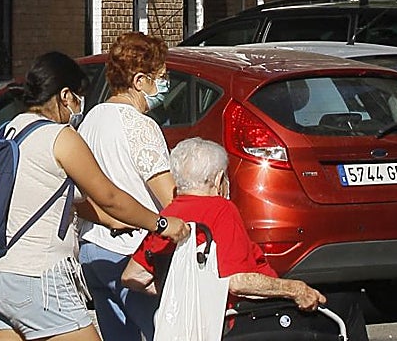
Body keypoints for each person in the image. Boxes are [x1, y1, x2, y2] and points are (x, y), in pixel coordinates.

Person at [0, 51, 189, 341]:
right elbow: (109, 196)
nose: (79, 106)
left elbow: (69, 201)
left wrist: (111, 222)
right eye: (78, 97)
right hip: (38, 278)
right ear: (65, 95)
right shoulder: (60, 137)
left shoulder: (7, 131)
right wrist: (161, 224)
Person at [122, 138, 368, 341]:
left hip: (201, 322)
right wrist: (294, 289)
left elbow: (132, 277)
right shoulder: (221, 209)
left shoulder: (169, 217)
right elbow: (237, 282)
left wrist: (188, 290)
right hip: (239, 318)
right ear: (219, 180)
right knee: (347, 303)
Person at [76, 32, 175, 341]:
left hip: (92, 248)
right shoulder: (141, 126)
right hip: (132, 253)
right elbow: (168, 196)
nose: (164, 84)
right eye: (161, 76)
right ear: (140, 80)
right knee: (164, 332)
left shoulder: (91, 119)